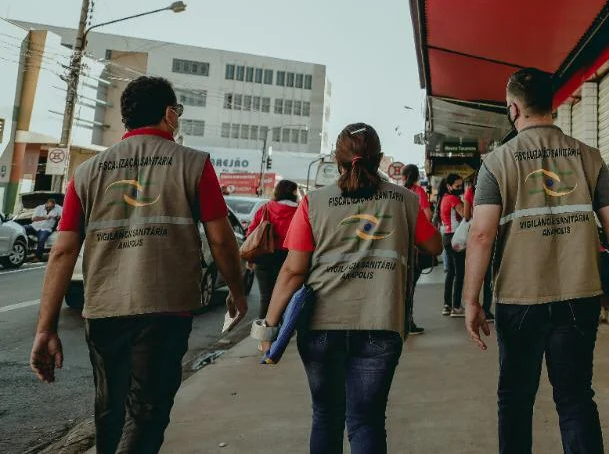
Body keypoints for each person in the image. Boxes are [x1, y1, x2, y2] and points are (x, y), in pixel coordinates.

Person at [30, 76, 248, 454]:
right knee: (148, 411)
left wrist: (45, 327)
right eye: (177, 111)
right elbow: (221, 239)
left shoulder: (88, 172)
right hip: (166, 308)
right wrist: (237, 291)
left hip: (103, 309)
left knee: (110, 410)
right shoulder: (194, 164)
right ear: (169, 114)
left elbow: (63, 252)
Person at [464, 67, 609, 454]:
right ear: (553, 104)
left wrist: (471, 300)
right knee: (575, 398)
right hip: (580, 296)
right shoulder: (589, 157)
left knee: (515, 399)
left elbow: (480, 235)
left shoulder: (497, 163)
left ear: (513, 108)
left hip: (519, 299)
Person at [256, 122, 442, 454]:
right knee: (367, 421)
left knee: (326, 417)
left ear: (336, 160)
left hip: (320, 328)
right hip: (380, 324)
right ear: (380, 158)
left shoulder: (313, 202)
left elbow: (293, 271)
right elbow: (435, 246)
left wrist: (269, 327)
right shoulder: (405, 201)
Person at [245, 178, 300, 320]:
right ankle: (282, 330)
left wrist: (250, 259)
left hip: (264, 257)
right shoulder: (300, 211)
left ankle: (264, 333)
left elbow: (252, 234)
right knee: (286, 297)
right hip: (290, 258)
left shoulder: (265, 209)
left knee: (265, 297)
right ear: (294, 193)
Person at [402, 163, 432, 334]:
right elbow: (427, 215)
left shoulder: (398, 192)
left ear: (404, 177)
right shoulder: (418, 192)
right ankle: (408, 322)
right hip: (413, 246)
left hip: (399, 245)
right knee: (410, 286)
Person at [461, 174, 494, 322]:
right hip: (494, 234)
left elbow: (466, 215)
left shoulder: (470, 192)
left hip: (477, 234)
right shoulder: (495, 187)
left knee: (474, 271)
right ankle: (487, 309)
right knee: (489, 277)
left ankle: (471, 303)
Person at [438, 173, 466, 317]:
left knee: (451, 272)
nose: (460, 188)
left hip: (446, 237)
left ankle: (447, 305)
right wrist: (467, 200)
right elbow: (466, 214)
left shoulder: (443, 198)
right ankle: (456, 306)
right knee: (460, 272)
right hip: (457, 238)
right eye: (457, 186)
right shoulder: (454, 199)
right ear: (449, 186)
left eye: (461, 185)